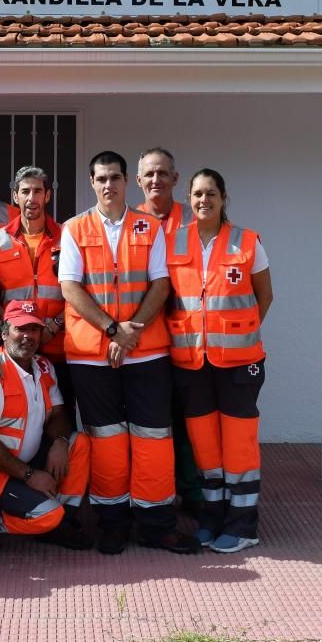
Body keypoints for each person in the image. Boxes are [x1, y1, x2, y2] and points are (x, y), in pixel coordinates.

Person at [59, 151, 199, 556]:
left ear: (127, 182)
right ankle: (113, 522)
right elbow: (70, 287)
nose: (109, 185)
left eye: (115, 177)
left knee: (154, 439)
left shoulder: (150, 226)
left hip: (146, 352)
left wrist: (130, 331)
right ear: (92, 182)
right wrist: (111, 330)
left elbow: (161, 283)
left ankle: (156, 524)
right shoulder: (75, 228)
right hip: (92, 355)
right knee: (107, 440)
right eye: (101, 178)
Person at [166, 168, 273, 554]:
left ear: (224, 197)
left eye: (210, 193)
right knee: (205, 445)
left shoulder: (247, 242)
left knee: (239, 445)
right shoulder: (173, 242)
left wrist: (237, 334)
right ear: (189, 199)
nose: (203, 200)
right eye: (196, 194)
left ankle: (243, 524)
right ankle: (212, 516)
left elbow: (265, 296)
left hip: (239, 365)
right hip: (192, 362)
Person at [0, 300, 92, 551]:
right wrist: (30, 476)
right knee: (47, 515)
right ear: (4, 332)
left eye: (34, 329)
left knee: (78, 444)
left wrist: (61, 443)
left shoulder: (43, 365)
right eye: (20, 329)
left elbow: (59, 414)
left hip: (23, 463)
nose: (28, 336)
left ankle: (62, 523)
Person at [134, 148, 204, 517]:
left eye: (163, 173)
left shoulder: (194, 224)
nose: (156, 180)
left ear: (176, 179)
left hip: (189, 341)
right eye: (149, 174)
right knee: (152, 424)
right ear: (138, 181)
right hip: (143, 344)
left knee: (188, 419)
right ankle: (151, 491)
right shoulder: (129, 222)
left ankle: (192, 491)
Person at [0, 165, 74, 420]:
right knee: (15, 416)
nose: (31, 198)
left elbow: (82, 290)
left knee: (60, 416)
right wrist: (15, 328)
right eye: (25, 191)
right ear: (15, 196)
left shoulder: (68, 237)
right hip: (14, 347)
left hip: (59, 346)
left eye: (37, 191)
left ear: (47, 196)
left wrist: (55, 325)